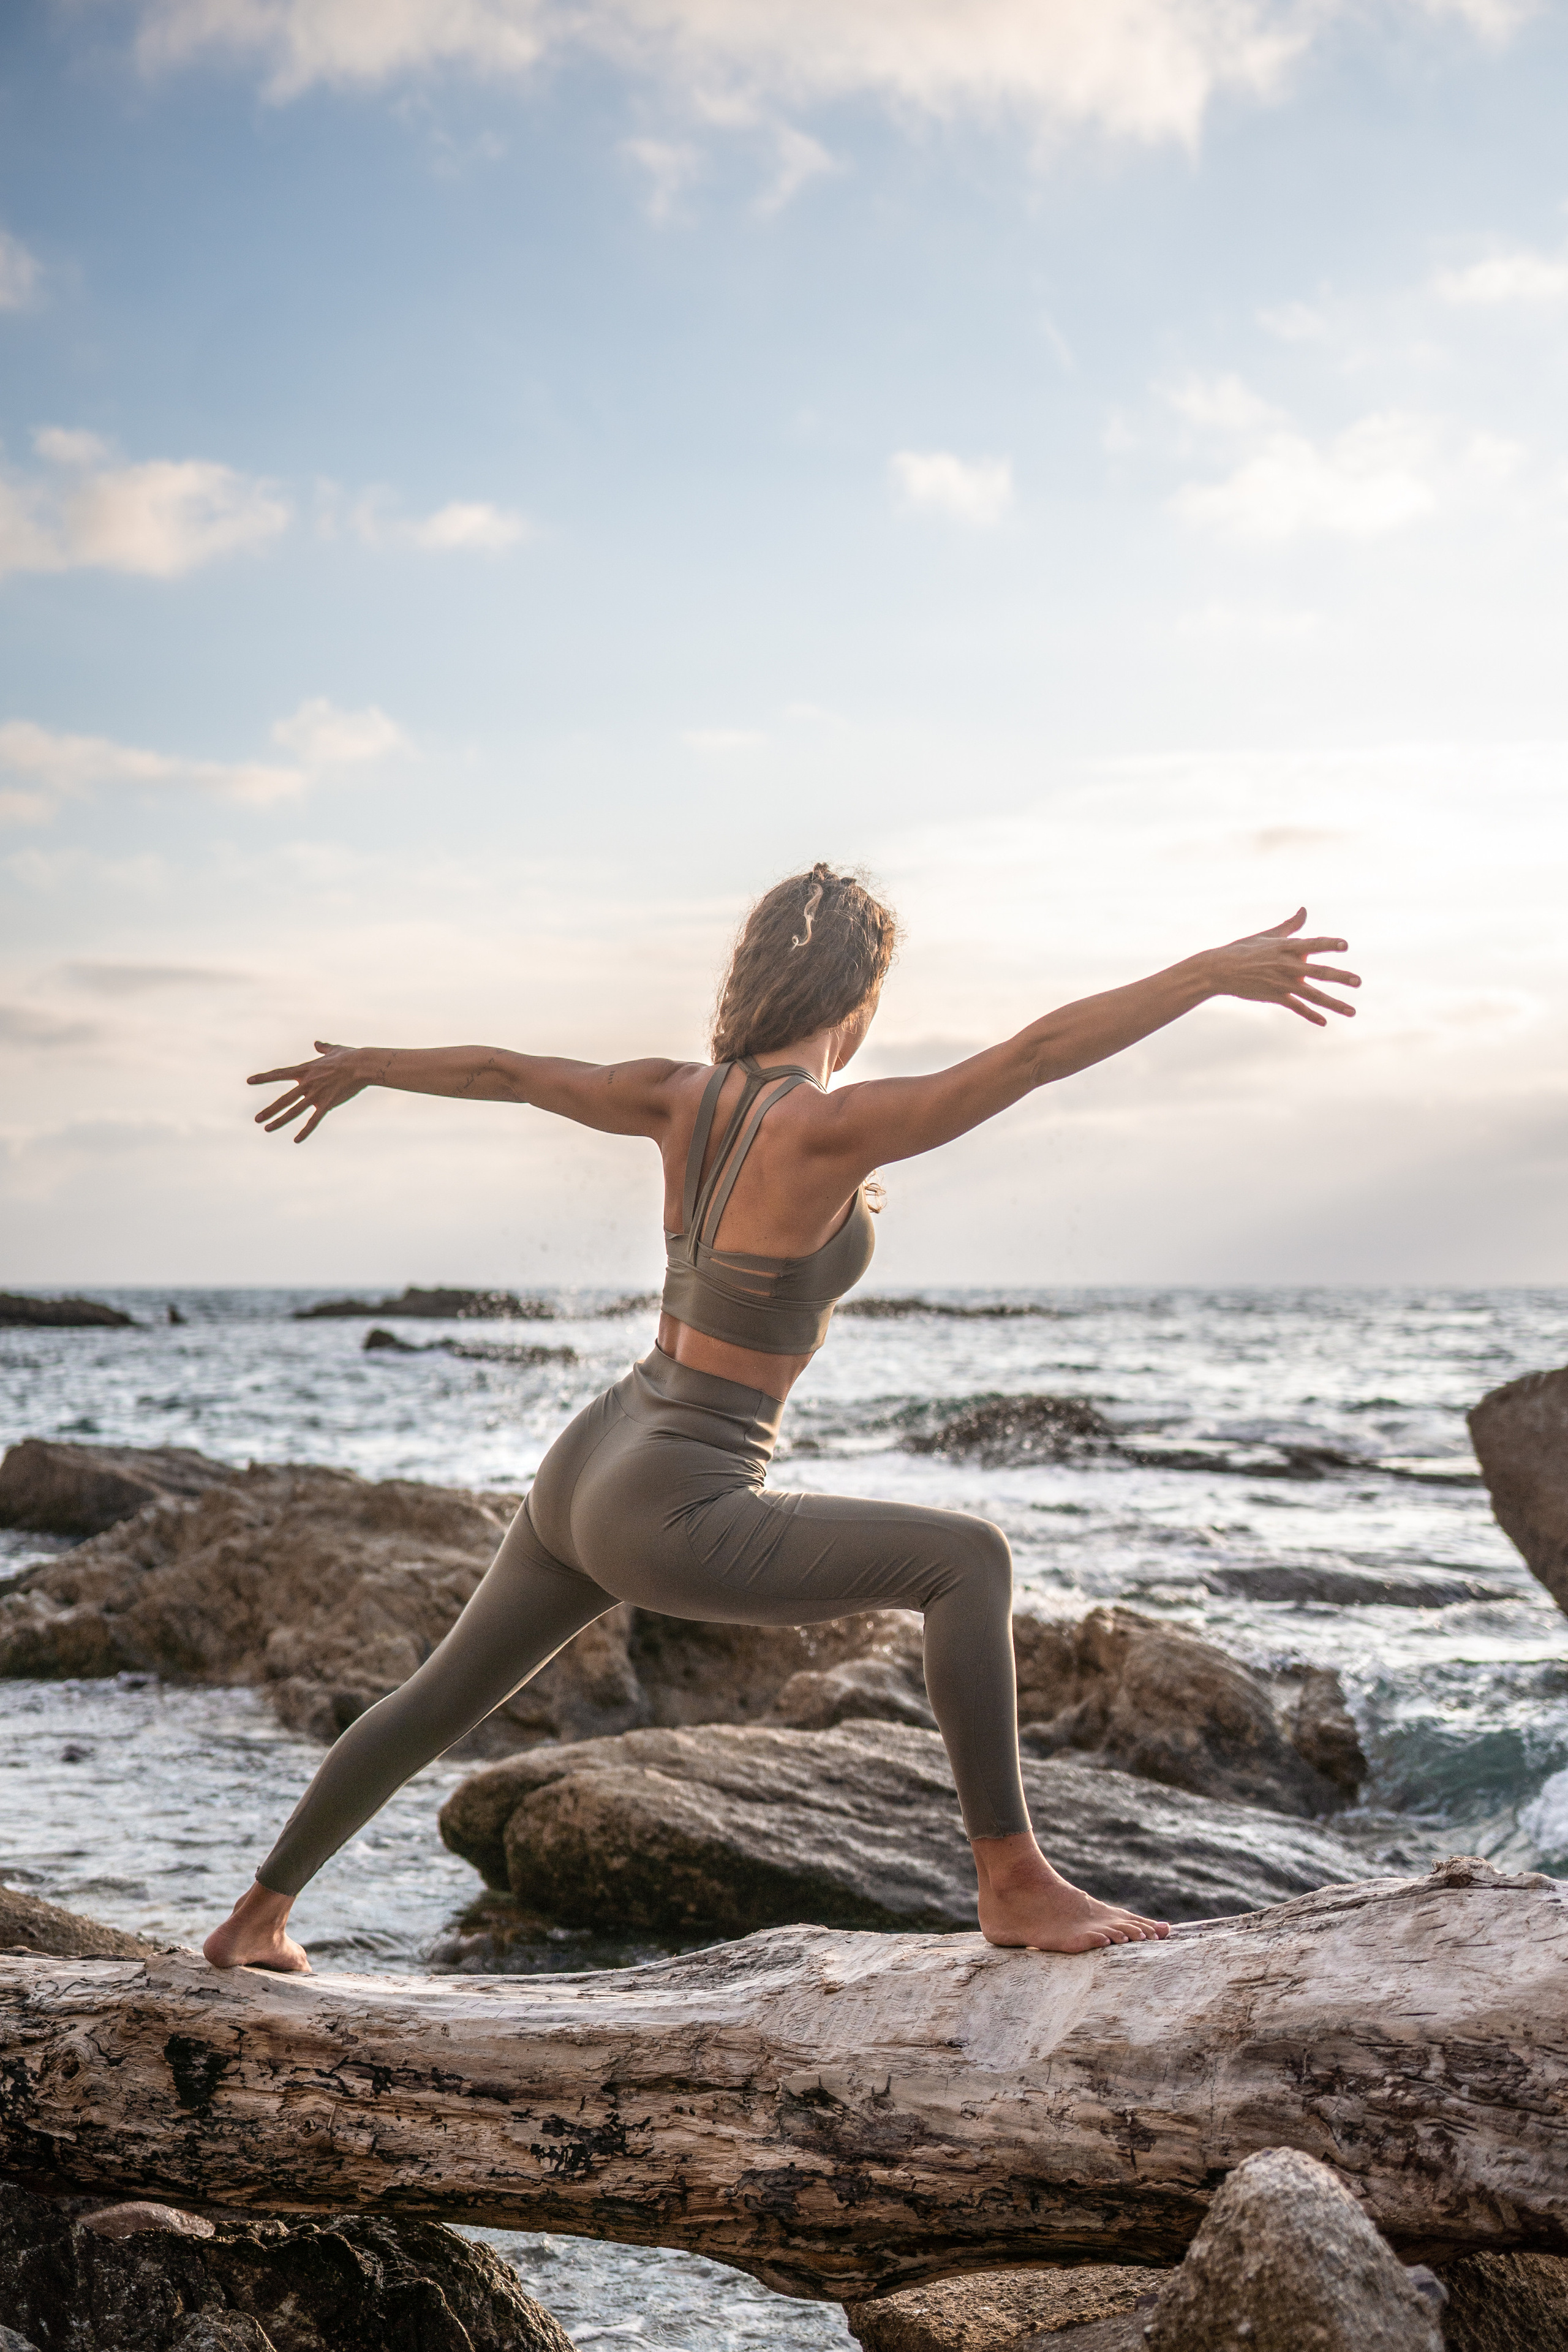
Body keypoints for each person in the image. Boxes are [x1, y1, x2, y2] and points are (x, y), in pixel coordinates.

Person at [204, 866, 1358, 1973]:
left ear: (752, 978)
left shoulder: (672, 1094)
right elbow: (1038, 1056)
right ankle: (1012, 1881)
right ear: (858, 1000)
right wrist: (1204, 973)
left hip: (597, 1449)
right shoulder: (830, 1127)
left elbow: (507, 1070)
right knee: (968, 1563)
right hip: (673, 1491)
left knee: (438, 1698)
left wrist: (365, 1064)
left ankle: (258, 1917)